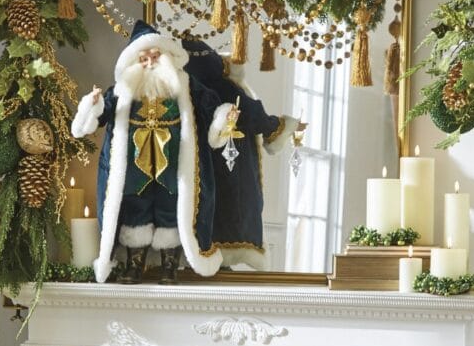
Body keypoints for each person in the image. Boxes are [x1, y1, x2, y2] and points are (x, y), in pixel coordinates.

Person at [71, 21, 244, 284]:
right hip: (133, 170)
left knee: (171, 212)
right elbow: (96, 118)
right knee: (134, 213)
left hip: (174, 169)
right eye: (144, 58)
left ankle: (169, 267)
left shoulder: (185, 85)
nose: (150, 62)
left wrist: (225, 117)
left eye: (155, 56)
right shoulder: (123, 90)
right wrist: (92, 106)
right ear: (134, 61)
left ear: (166, 57)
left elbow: (211, 107)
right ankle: (134, 266)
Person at [183, 39, 303, 269]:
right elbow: (254, 115)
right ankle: (218, 261)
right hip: (231, 171)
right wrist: (283, 126)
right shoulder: (226, 88)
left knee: (200, 215)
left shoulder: (184, 92)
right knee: (227, 214)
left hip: (198, 170)